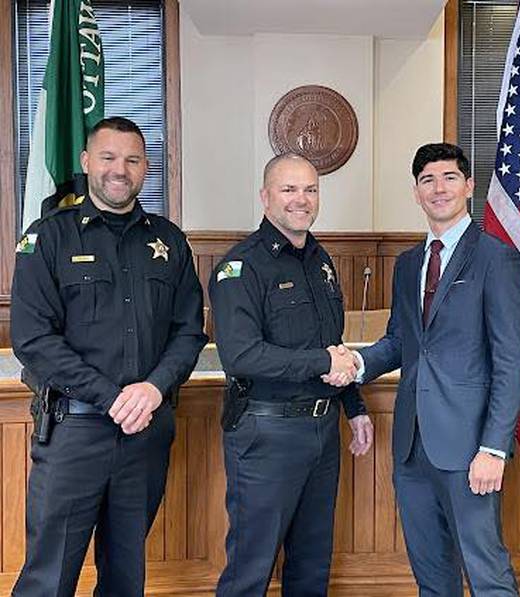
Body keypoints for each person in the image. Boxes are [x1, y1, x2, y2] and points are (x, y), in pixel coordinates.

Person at [10, 116, 208, 596]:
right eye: (108, 157)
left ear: (146, 168)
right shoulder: (49, 237)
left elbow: (188, 332)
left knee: (125, 577)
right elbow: (33, 339)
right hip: (74, 432)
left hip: (145, 435)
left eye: (133, 160)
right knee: (48, 578)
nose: (120, 169)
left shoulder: (169, 242)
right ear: (86, 162)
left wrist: (154, 388)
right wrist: (111, 397)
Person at [349, 143, 520, 596]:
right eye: (427, 180)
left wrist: (494, 448)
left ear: (469, 186)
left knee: (487, 574)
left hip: (470, 448)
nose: (439, 188)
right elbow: (401, 341)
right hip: (412, 448)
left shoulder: (496, 259)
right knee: (431, 577)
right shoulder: (409, 263)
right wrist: (356, 363)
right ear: (416, 192)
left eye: (449, 177)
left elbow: (511, 361)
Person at [210, 153, 374, 596]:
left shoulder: (321, 261)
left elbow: (331, 342)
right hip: (267, 434)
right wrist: (322, 363)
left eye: (310, 190)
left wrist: (354, 406)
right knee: (251, 570)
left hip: (322, 431)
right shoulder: (241, 267)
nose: (301, 199)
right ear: (265, 197)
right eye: (289, 189)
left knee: (311, 565)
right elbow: (242, 356)